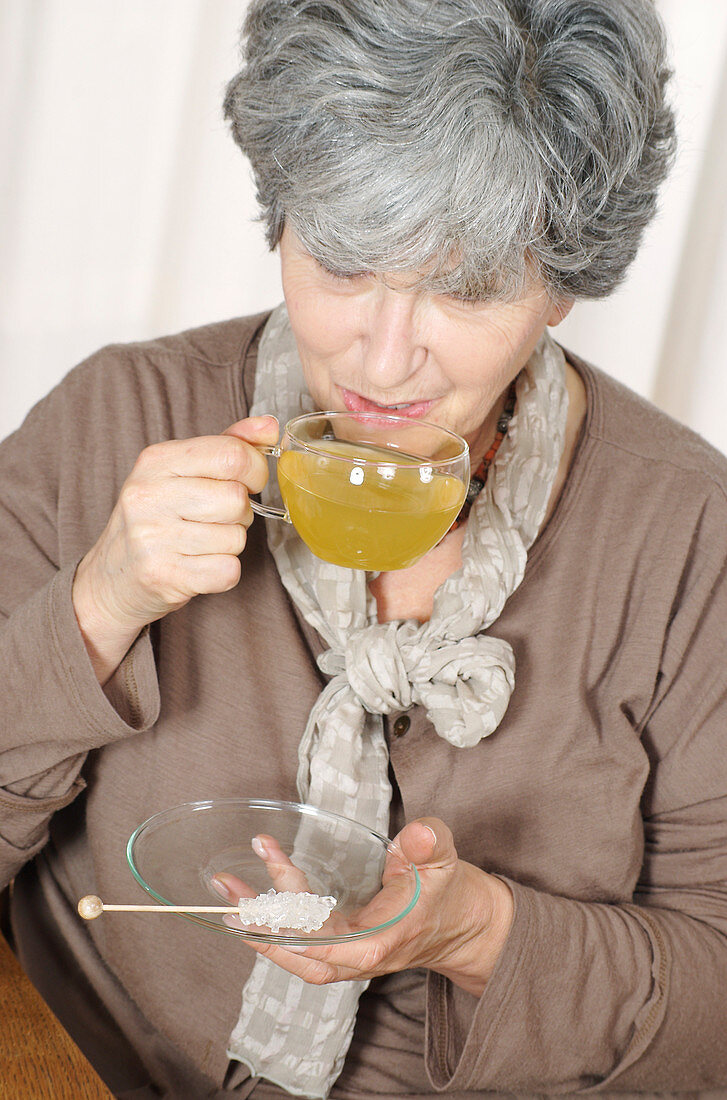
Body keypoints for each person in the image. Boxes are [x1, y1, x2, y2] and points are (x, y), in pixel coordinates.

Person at [1, 0, 726, 1097]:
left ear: (567, 281)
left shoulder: (688, 536)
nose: (384, 361)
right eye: (343, 262)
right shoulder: (117, 417)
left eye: (468, 284)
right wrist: (97, 607)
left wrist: (478, 932)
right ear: (280, 219)